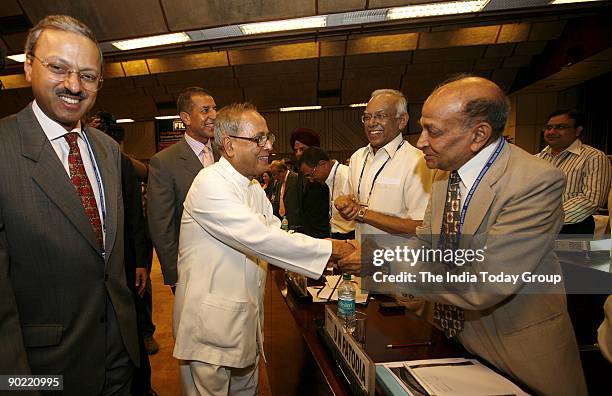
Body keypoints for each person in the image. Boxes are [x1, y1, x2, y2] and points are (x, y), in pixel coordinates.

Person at [343, 75, 587, 395]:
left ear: (478, 134)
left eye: (434, 130)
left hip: (513, 351)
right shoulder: (446, 176)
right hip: (450, 340)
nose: (421, 141)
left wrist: (382, 262)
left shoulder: (534, 182)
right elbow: (427, 245)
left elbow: (486, 280)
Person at [172, 102, 354, 395]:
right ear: (229, 145)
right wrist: (334, 248)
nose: (269, 145)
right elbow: (263, 239)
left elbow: (278, 233)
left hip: (243, 325)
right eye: (259, 139)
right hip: (210, 331)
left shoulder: (252, 187)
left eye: (268, 137)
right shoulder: (209, 183)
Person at [0, 15, 138, 394]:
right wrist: (17, 385)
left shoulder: (107, 150)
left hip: (118, 362)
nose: (74, 85)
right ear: (28, 65)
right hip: (45, 372)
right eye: (58, 68)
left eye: (88, 76)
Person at [89, 113, 157, 396]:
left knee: (131, 317)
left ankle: (142, 386)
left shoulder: (118, 159)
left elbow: (134, 215)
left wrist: (141, 260)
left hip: (125, 256)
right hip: (90, 263)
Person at [147, 87, 218, 294]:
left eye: (214, 109)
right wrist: (175, 275)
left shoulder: (226, 154)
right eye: (205, 110)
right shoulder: (164, 162)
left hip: (230, 265)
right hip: (192, 270)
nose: (213, 115)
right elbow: (161, 225)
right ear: (186, 118)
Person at [335, 89, 432, 240]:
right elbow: (350, 206)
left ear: (402, 120)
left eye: (380, 116)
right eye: (367, 117)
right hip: (359, 256)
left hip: (397, 261)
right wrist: (344, 205)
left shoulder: (418, 162)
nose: (372, 123)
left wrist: (363, 213)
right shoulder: (357, 158)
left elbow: (421, 227)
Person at [536, 109, 611, 235]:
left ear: (578, 131)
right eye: (549, 127)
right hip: (535, 227)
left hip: (573, 228)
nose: (551, 132)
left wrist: (547, 218)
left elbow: (592, 199)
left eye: (560, 127)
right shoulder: (536, 159)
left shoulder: (593, 157)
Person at [299, 146, 355, 240]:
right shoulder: (327, 180)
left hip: (350, 237)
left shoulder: (347, 177)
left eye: (310, 175)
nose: (311, 180)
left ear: (323, 164)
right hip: (335, 235)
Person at [290, 128, 331, 238]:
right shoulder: (299, 175)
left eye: (302, 149)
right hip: (308, 234)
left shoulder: (324, 174)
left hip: (324, 235)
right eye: (296, 150)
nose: (298, 154)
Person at [269, 159, 301, 224]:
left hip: (296, 222)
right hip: (283, 221)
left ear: (282, 171)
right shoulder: (279, 184)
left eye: (275, 174)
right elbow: (277, 202)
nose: (275, 178)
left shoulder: (296, 178)